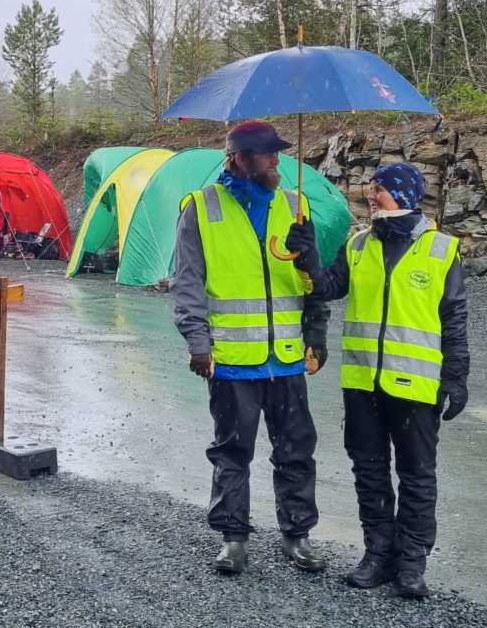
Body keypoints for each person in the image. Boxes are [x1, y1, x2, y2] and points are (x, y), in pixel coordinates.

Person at [285, 162, 468, 599]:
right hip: (363, 383)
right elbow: (325, 288)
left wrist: (456, 376)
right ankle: (378, 555)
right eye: (370, 186)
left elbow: (455, 319)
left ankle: (412, 564)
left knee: (417, 476)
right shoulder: (358, 244)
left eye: (379, 188)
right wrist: (307, 256)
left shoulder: (442, 249)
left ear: (403, 194)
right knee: (369, 471)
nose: (371, 193)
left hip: (417, 386)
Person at [171, 120, 330, 576]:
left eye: (278, 153)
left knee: (296, 450)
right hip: (233, 360)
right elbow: (187, 282)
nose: (278, 161)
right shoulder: (201, 208)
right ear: (241, 158)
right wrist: (198, 342)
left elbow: (314, 283)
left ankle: (296, 535)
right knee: (232, 452)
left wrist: (316, 333)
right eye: (268, 154)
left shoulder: (295, 204)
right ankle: (233, 538)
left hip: (287, 358)